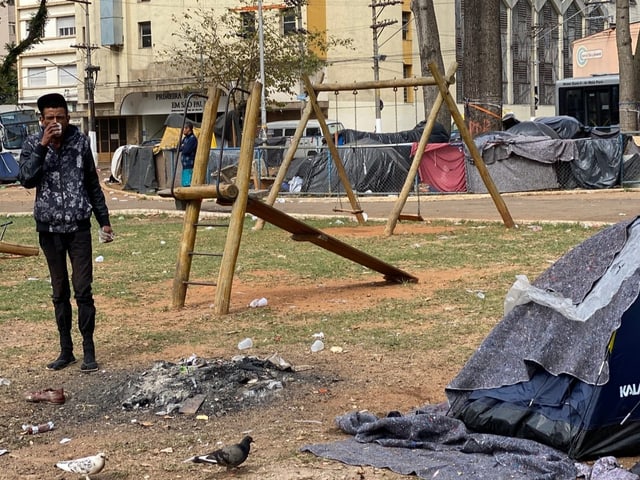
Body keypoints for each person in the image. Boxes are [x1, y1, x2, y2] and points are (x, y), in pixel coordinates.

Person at [18, 92, 114, 373]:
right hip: (49, 229)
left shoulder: (80, 142)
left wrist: (104, 220)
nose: (56, 122)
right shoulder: (32, 144)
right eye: (50, 118)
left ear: (69, 117)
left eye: (61, 117)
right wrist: (43, 146)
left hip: (78, 227)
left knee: (83, 290)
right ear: (41, 119)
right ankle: (66, 351)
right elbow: (26, 178)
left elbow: (92, 185)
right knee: (59, 292)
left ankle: (88, 350)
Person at [179, 121, 198, 187]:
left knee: (188, 184)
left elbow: (186, 151)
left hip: (190, 165)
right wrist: (183, 146)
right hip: (184, 166)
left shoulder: (192, 139)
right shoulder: (185, 138)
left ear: (188, 129)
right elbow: (178, 148)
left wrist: (183, 146)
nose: (183, 130)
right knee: (184, 183)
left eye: (185, 128)